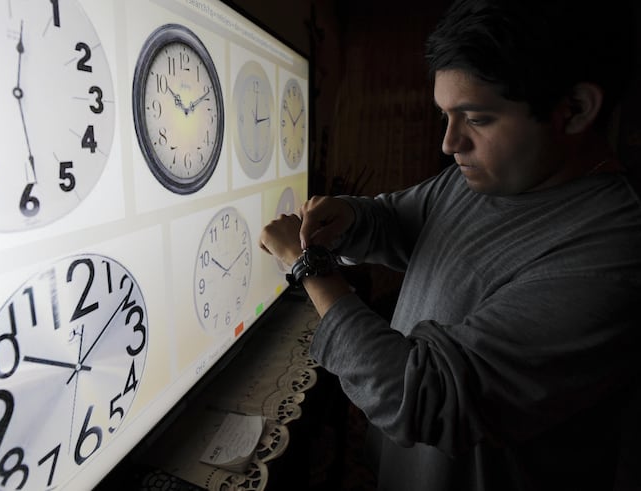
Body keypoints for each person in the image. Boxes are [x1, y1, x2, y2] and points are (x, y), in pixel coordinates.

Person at [259, 0, 641, 490]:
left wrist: (308, 266)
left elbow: (427, 395)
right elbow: (398, 221)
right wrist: (351, 216)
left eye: (476, 118)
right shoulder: (489, 176)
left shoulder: (612, 256)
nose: (448, 143)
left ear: (575, 109)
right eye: (445, 115)